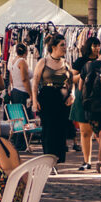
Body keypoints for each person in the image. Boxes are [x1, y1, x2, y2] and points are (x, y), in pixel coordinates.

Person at [31, 33, 73, 169]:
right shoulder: (43, 62)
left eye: (65, 45)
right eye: (62, 45)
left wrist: (72, 94)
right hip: (47, 97)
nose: (65, 48)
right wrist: (34, 100)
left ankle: (57, 158)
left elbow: (71, 81)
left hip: (62, 99)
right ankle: (48, 158)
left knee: (60, 129)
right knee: (49, 129)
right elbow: (36, 82)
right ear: (54, 47)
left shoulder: (66, 63)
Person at [69, 36, 101, 171]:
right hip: (83, 97)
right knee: (84, 132)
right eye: (94, 46)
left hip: (100, 99)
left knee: (100, 132)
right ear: (89, 47)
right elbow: (71, 78)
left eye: (98, 45)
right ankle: (86, 161)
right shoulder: (81, 61)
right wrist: (84, 75)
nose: (96, 48)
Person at [7, 42, 33, 109]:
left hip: (15, 91)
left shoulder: (14, 61)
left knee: (18, 116)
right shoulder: (22, 62)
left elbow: (11, 78)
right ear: (26, 51)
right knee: (25, 116)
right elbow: (24, 79)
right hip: (23, 92)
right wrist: (31, 94)